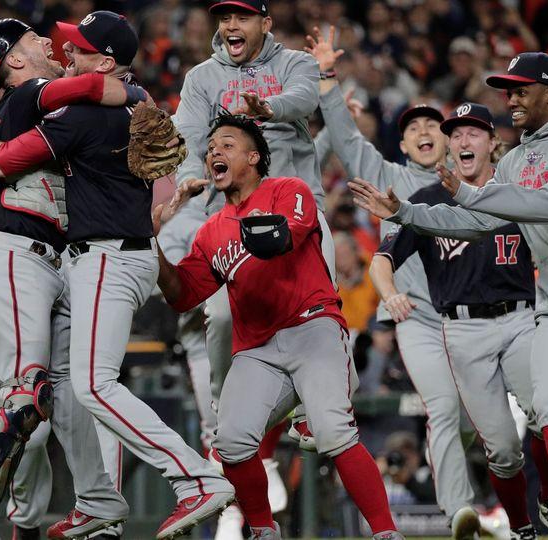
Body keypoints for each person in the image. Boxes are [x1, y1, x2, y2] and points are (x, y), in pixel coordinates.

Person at [350, 52, 548, 540]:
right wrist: (404, 214)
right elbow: (478, 221)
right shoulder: (517, 161)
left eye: (522, 89)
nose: (512, 99)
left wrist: (468, 194)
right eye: (508, 91)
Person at [0, 12, 235, 540]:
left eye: (80, 48)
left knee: (94, 386)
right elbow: (156, 179)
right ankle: (97, 502)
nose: (68, 52)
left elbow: (3, 162)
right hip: (126, 254)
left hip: (107, 257)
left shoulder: (85, 116)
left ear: (107, 61)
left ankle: (196, 479)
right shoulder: (131, 104)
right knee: (73, 387)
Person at [0, 19, 146, 540]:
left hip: (53, 263)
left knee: (64, 397)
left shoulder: (33, 106)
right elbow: (91, 84)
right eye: (36, 40)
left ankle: (93, 504)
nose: (50, 43)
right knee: (26, 394)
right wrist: (132, 86)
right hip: (17, 256)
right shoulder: (32, 92)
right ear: (15, 61)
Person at [154, 112, 401, 540]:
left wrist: (246, 230)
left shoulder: (288, 188)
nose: (215, 150)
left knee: (332, 431)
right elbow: (181, 294)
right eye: (211, 146)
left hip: (312, 329)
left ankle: (385, 532)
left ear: (253, 157)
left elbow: (287, 233)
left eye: (227, 144)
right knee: (229, 443)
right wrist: (148, 241)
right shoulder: (210, 231)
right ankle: (263, 531)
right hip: (256, 348)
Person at [160, 1, 331, 526]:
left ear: (265, 24)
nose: (232, 26)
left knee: (316, 313)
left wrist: (268, 108)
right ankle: (228, 438)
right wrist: (183, 177)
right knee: (222, 320)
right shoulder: (202, 77)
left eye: (243, 17)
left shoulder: (295, 65)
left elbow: (305, 98)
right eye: (224, 17)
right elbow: (186, 138)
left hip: (297, 206)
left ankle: (303, 416)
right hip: (234, 214)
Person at [369, 103, 548, 540]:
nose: (464, 140)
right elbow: (382, 260)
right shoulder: (425, 201)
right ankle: (521, 526)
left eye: (474, 132)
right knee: (501, 451)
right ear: (449, 143)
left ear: (492, 143)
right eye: (457, 133)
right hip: (461, 329)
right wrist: (390, 294)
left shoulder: (516, 188)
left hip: (521, 318)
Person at [306, 26, 482, 538]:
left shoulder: (472, 187)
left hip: (476, 317)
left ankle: (508, 501)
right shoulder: (386, 177)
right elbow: (343, 136)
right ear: (403, 143)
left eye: (434, 125)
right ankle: (458, 512)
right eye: (414, 127)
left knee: (491, 426)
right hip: (419, 318)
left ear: (449, 140)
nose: (425, 131)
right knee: (443, 409)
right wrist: (327, 80)